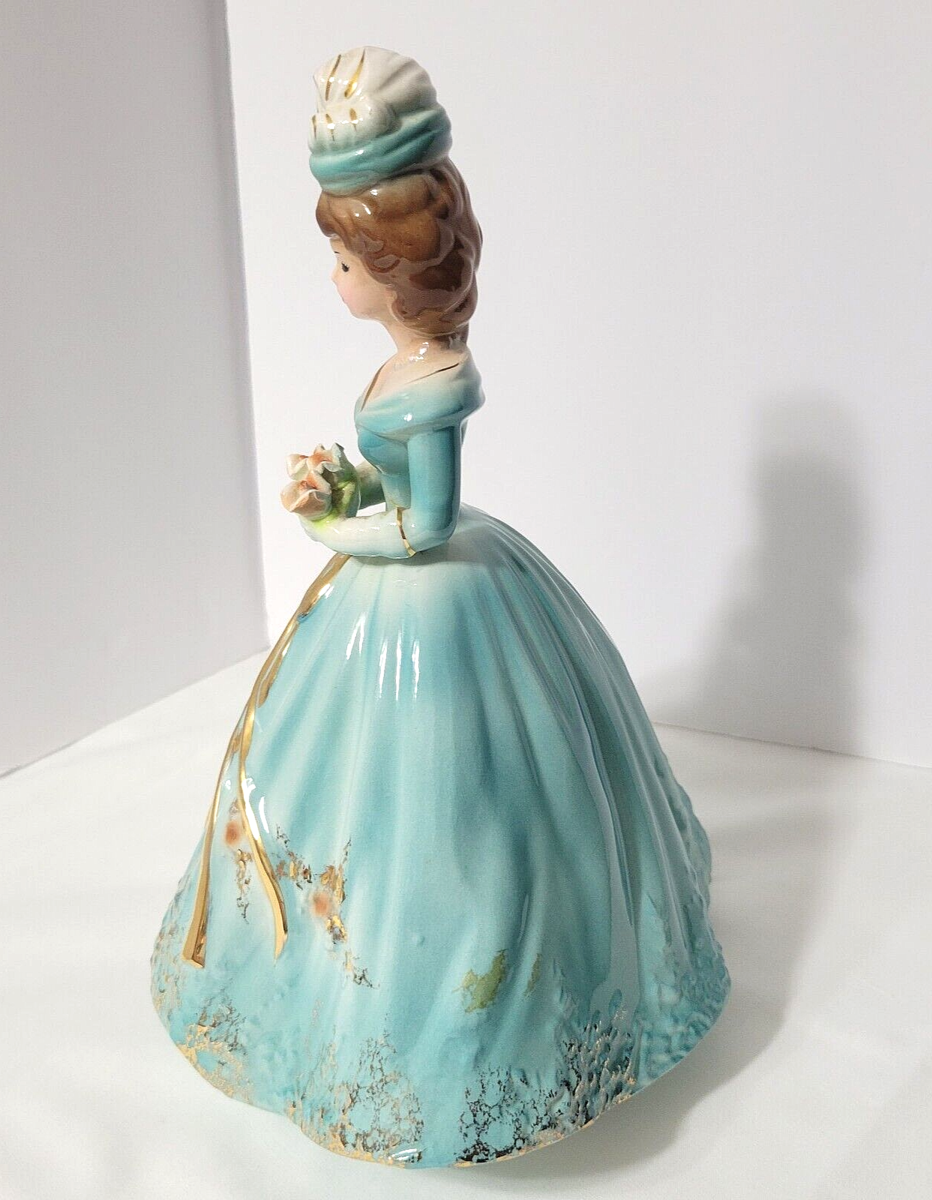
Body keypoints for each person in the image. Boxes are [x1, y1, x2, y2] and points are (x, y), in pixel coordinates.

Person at [151, 45, 730, 1169]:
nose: (332, 280)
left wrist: (329, 526)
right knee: (342, 794)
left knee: (455, 812)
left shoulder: (434, 383)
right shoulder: (405, 367)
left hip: (430, 603)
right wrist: (346, 490)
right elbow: (398, 501)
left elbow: (423, 527)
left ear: (392, 268)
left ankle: (482, 1034)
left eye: (342, 260)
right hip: (392, 597)